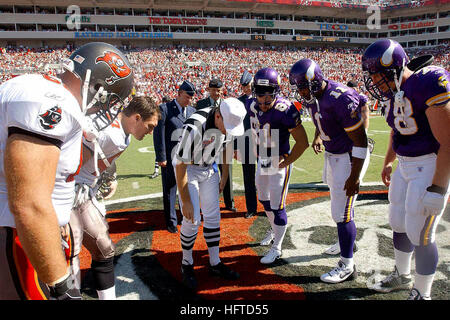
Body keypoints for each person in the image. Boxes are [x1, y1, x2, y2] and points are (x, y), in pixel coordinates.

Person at [0, 42, 134, 300]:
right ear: (98, 87)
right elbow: (29, 204)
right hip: (16, 236)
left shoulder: (37, 86)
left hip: (21, 232)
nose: (108, 109)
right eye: (112, 99)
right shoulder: (54, 101)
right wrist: (61, 285)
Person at [362, 39, 449, 300]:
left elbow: (448, 140)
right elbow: (396, 130)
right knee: (398, 222)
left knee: (420, 232)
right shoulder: (395, 92)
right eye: (373, 76)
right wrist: (389, 160)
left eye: (379, 75)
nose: (376, 82)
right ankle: (402, 275)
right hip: (405, 164)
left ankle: (423, 293)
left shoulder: (427, 81)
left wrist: (438, 186)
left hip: (429, 164)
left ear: (395, 67)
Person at [69, 96, 160, 300]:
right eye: (150, 126)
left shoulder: (121, 131)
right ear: (137, 118)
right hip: (69, 194)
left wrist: (108, 175)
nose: (150, 132)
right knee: (71, 252)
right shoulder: (112, 134)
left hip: (82, 192)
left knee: (104, 249)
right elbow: (72, 162)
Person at [289, 58, 368, 284]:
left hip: (349, 156)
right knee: (339, 207)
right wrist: (317, 137)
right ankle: (348, 244)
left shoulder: (340, 98)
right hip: (333, 154)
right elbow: (320, 120)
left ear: (317, 81)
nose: (302, 92)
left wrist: (354, 175)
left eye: (304, 86)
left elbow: (361, 141)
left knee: (341, 212)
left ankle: (347, 263)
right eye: (298, 88)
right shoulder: (314, 97)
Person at [173, 97, 246, 291]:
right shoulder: (195, 125)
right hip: (189, 170)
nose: (226, 130)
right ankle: (186, 264)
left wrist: (225, 175)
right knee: (192, 218)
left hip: (209, 169)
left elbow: (226, 147)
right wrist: (185, 199)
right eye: (226, 125)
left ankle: (215, 263)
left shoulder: (227, 121)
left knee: (213, 216)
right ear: (218, 115)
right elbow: (180, 164)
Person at [247, 67, 309, 264]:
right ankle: (274, 230)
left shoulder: (285, 109)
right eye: (260, 96)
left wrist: (287, 161)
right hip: (262, 159)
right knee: (263, 198)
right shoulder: (251, 105)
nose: (264, 102)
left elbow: (303, 142)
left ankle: (278, 247)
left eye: (268, 97)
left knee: (277, 204)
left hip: (278, 160)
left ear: (276, 91)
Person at [323, 80, 373, 256]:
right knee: (340, 205)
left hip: (351, 152)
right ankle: (345, 242)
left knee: (343, 208)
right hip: (335, 154)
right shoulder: (331, 100)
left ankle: (347, 254)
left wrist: (361, 136)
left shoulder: (356, 99)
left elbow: (365, 119)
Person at [153, 81, 196, 233]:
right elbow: (159, 135)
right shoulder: (164, 109)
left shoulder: (192, 110)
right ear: (178, 94)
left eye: (191, 97)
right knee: (170, 189)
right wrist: (161, 156)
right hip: (170, 158)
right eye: (186, 96)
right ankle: (171, 221)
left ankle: (184, 215)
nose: (189, 100)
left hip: (187, 159)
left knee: (186, 187)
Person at [196, 78, 235, 212]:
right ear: (208, 90)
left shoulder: (226, 104)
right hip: (207, 145)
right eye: (213, 90)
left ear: (222, 90)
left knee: (227, 171)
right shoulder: (201, 104)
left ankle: (229, 203)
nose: (216, 93)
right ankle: (206, 203)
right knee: (206, 173)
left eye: (218, 90)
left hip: (224, 141)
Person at [237, 71, 258, 219]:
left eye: (248, 86)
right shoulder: (239, 101)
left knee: (267, 175)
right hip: (246, 143)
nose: (246, 89)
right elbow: (236, 125)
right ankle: (251, 208)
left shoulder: (262, 97)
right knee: (248, 178)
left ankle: (270, 206)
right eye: (243, 87)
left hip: (264, 142)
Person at [149, 96, 171, 179]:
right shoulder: (163, 110)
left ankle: (157, 171)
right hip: (163, 133)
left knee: (161, 152)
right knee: (160, 152)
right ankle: (157, 171)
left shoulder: (163, 110)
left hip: (164, 133)